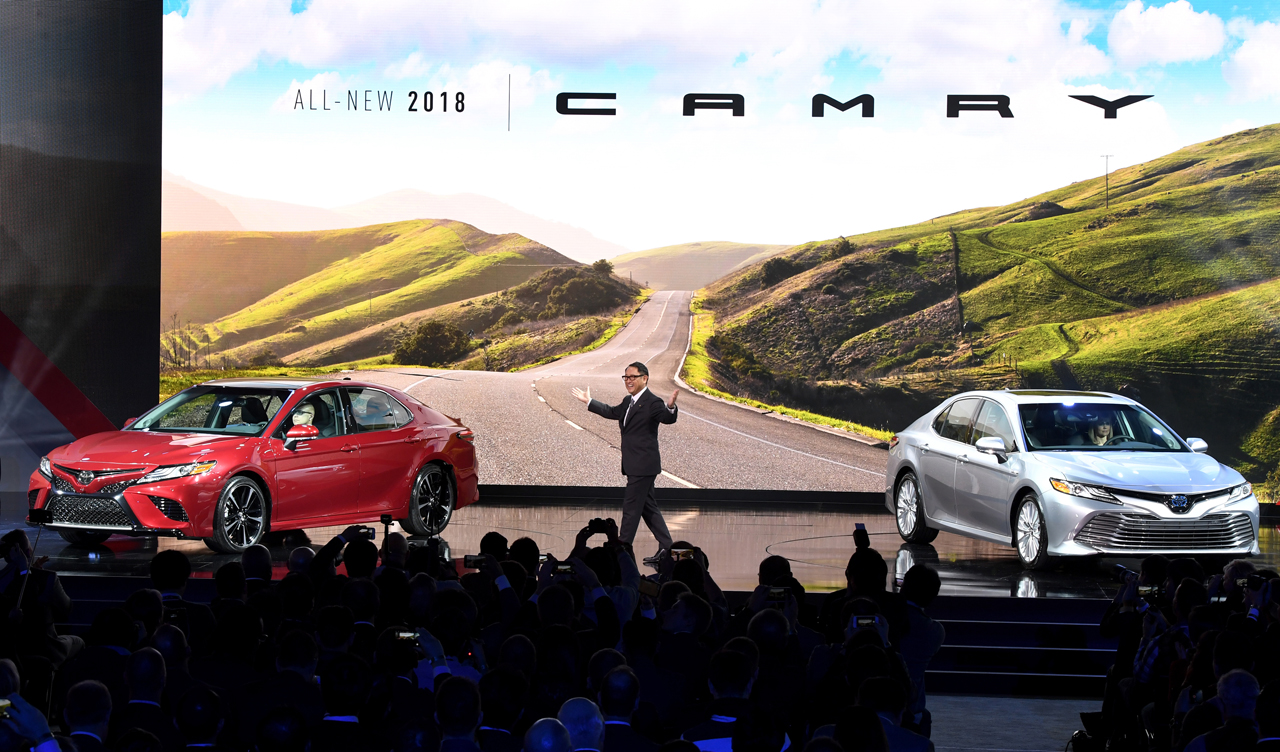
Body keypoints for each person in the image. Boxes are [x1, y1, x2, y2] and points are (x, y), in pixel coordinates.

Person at [573, 361, 679, 564]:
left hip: (643, 465)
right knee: (649, 509)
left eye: (633, 377)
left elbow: (666, 417)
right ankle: (668, 549)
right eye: (626, 377)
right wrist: (589, 401)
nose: (629, 381)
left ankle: (620, 552)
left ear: (644, 378)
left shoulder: (652, 402)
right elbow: (611, 412)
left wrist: (671, 407)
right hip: (636, 465)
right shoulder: (628, 401)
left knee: (631, 510)